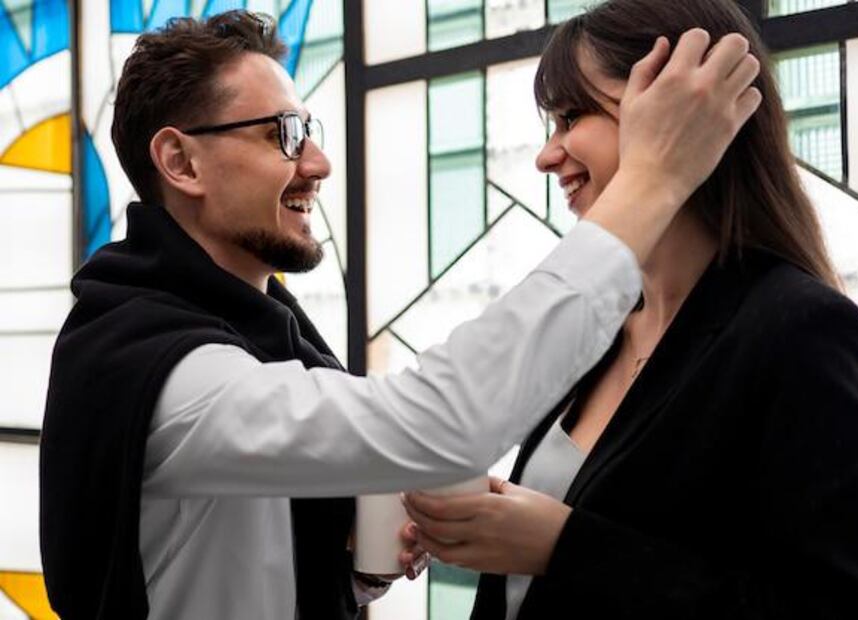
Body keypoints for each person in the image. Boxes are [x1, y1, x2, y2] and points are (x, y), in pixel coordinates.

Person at [38, 8, 763, 620]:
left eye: (311, 132)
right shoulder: (157, 364)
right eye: (282, 134)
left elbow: (231, 554)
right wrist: (651, 182)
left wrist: (353, 563)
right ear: (181, 163)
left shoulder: (259, 328)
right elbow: (440, 425)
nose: (318, 163)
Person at [401, 1, 858, 618]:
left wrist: (565, 546)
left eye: (572, 117)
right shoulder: (599, 327)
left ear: (686, 109)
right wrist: (491, 524)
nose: (547, 156)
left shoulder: (799, 329)